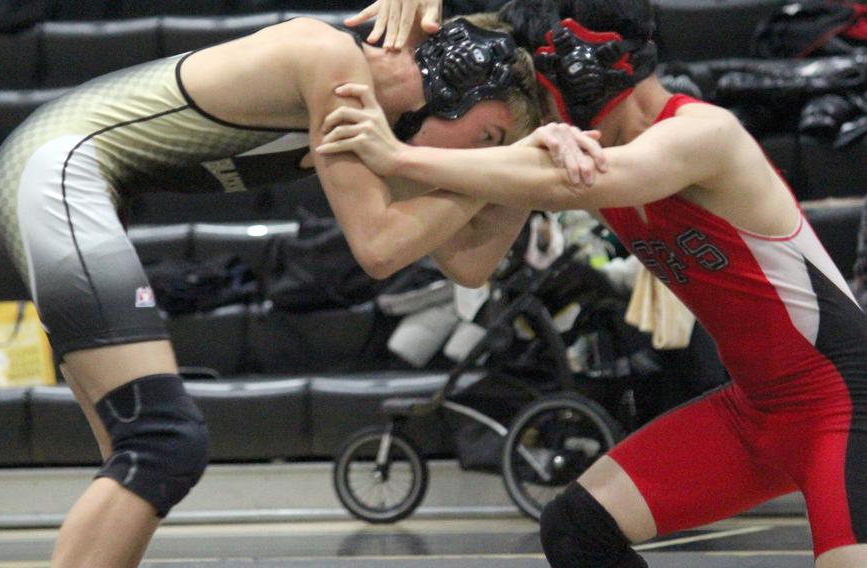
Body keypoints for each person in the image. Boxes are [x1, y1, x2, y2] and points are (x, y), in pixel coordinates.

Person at [0, 13, 543, 568]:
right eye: (486, 138)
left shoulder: (385, 125)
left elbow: (469, 263)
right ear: (451, 89)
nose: (475, 160)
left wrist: (516, 173)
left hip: (70, 183)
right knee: (160, 445)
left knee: (136, 464)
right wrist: (510, 169)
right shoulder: (334, 64)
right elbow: (379, 248)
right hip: (55, 170)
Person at [325, 0, 867, 566]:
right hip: (756, 412)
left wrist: (399, 159)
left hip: (848, 403)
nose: (533, 113)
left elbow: (595, 183)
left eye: (539, 96)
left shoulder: (705, 134)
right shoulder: (588, 155)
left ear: (586, 77)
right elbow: (469, 264)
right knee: (577, 529)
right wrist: (416, 143)